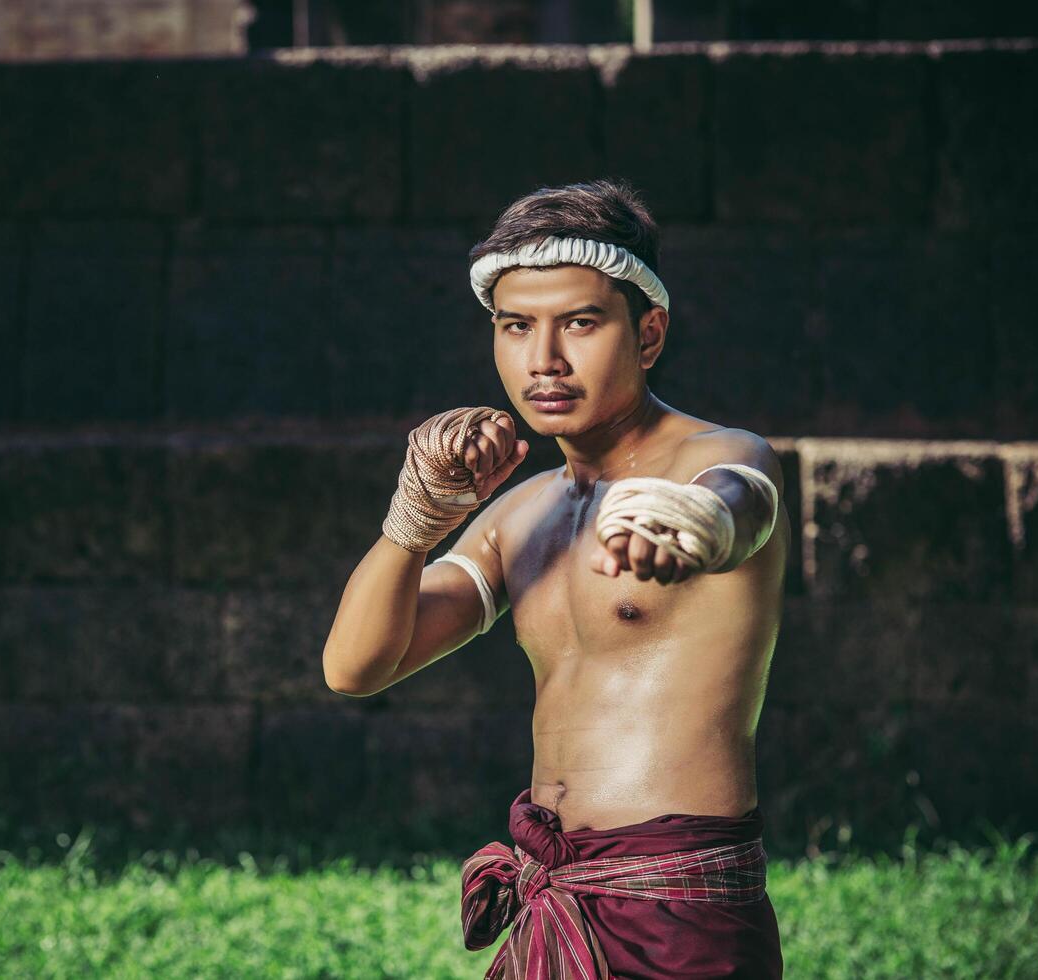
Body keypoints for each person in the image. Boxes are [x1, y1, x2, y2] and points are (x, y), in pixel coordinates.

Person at [322, 177, 787, 978]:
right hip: (553, 892)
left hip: (678, 907)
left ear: (647, 334)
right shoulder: (521, 512)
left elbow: (740, 500)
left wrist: (702, 526)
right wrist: (412, 523)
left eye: (578, 323)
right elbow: (356, 667)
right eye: (515, 327)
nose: (544, 360)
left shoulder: (718, 457)